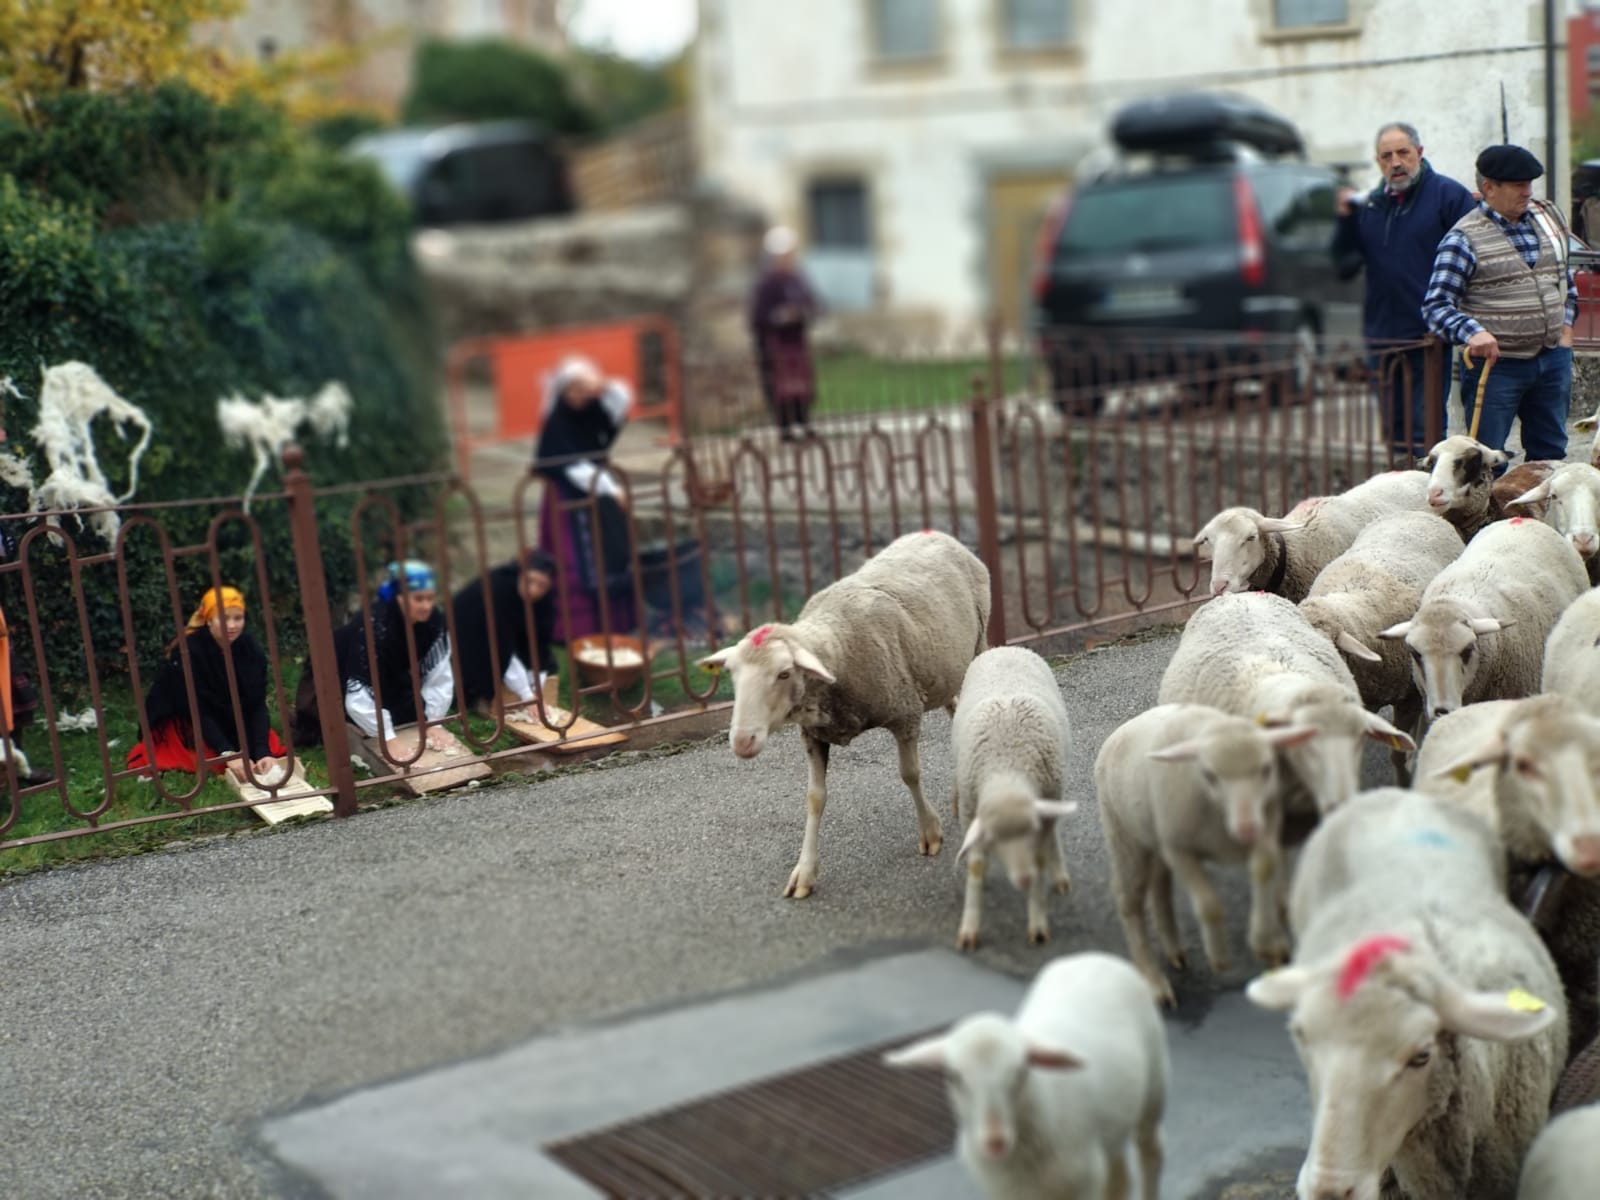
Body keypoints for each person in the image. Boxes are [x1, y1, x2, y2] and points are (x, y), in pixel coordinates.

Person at [1422, 144, 1577, 469]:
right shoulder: (1463, 239)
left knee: (1551, 455)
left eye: (1530, 184)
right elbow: (1436, 306)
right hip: (1496, 368)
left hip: (1552, 360)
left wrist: (1566, 330)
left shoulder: (1545, 220)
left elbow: (1563, 278)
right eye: (1519, 185)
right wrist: (1473, 332)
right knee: (1484, 460)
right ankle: (1483, 520)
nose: (1528, 192)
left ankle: (1540, 518)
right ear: (1489, 187)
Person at [1332, 121, 1477, 458]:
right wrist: (1343, 222)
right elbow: (1345, 266)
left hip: (1428, 337)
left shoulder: (1448, 195)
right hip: (1382, 336)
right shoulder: (1369, 205)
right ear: (1377, 161)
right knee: (1393, 431)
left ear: (1419, 153)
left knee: (1425, 431)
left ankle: (1425, 498)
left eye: (1402, 153)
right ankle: (1398, 492)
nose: (1395, 162)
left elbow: (1477, 257)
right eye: (1386, 156)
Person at [293, 560, 462, 761]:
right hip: (336, 669)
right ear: (399, 597)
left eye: (430, 599)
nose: (426, 606)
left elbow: (438, 674)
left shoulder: (434, 621)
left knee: (408, 709)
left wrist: (433, 722)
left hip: (388, 672)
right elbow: (358, 690)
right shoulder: (374, 626)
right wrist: (387, 738)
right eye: (418, 599)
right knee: (329, 719)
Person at [125, 585, 287, 782]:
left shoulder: (250, 651)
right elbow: (195, 710)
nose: (232, 625)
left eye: (238, 618)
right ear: (209, 620)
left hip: (232, 717)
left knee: (264, 753)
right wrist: (227, 753)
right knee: (209, 761)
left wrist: (262, 751)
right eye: (224, 619)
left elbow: (256, 704)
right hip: (191, 720)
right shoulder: (188, 653)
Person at [533, 356, 637, 642]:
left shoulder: (594, 411)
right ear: (562, 393)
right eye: (571, 390)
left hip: (597, 493)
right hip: (567, 497)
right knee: (574, 562)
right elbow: (572, 466)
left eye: (583, 389)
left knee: (608, 554)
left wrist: (598, 383)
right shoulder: (557, 422)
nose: (578, 395)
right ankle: (575, 630)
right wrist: (610, 489)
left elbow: (622, 397)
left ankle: (615, 623)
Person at [450, 548, 559, 711]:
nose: (533, 590)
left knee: (547, 662)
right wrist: (526, 695)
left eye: (541, 585)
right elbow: (500, 644)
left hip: (506, 632)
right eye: (529, 581)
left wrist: (537, 687)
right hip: (468, 629)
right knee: (485, 662)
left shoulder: (545, 600)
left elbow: (539, 640)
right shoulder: (500, 589)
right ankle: (479, 697)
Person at [748, 224, 821, 441]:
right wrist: (779, 317)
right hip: (775, 344)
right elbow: (757, 317)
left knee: (802, 385)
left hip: (796, 342)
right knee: (780, 388)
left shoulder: (798, 279)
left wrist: (802, 313)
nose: (788, 260)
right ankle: (785, 427)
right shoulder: (766, 284)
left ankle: (804, 421)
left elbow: (815, 304)